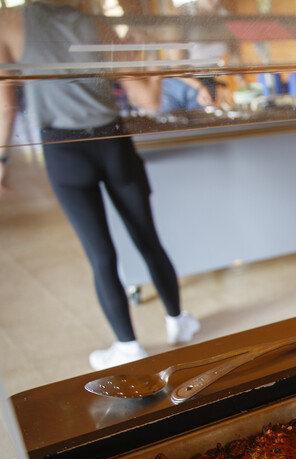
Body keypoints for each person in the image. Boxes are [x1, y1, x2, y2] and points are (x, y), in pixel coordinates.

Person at [0, 0, 200, 370]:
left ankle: (128, 346)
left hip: (64, 150)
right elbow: (148, 100)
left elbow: (6, 103)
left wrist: (1, 163)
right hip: (113, 143)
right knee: (147, 239)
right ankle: (177, 322)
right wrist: (151, 59)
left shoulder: (9, 21)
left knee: (101, 255)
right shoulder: (99, 26)